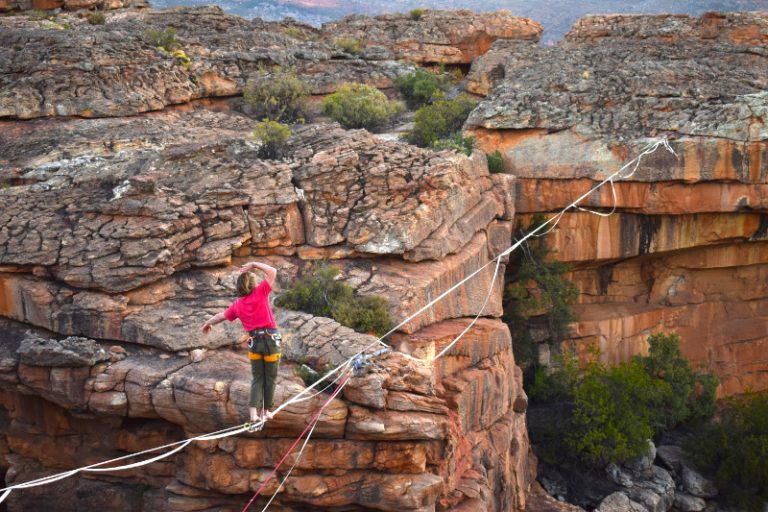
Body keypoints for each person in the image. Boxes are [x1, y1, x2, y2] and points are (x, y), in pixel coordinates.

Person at [202, 261, 281, 428]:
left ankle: (253, 414)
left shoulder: (238, 305)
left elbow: (220, 316)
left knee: (258, 378)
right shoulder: (260, 292)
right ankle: (265, 411)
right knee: (270, 377)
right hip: (269, 341)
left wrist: (208, 323)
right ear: (253, 284)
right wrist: (254, 264)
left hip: (253, 343)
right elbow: (272, 271)